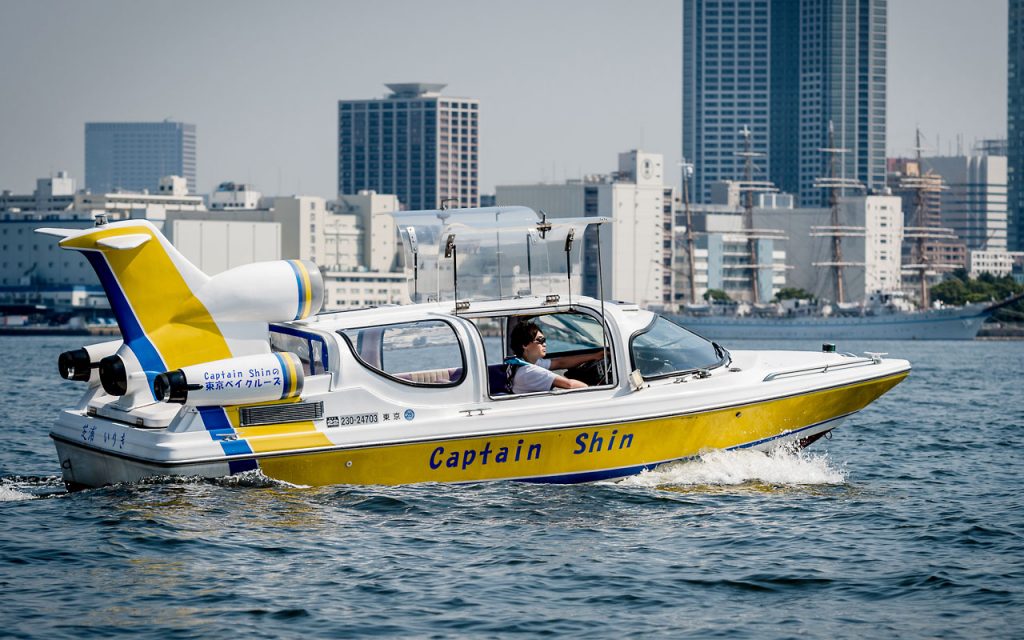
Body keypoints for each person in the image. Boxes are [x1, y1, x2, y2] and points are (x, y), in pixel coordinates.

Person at [506, 322, 605, 394]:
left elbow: (560, 362)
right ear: (525, 345)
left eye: (544, 340)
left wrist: (594, 356)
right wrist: (595, 389)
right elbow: (569, 384)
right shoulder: (529, 371)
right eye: (540, 340)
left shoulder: (524, 363)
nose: (544, 344)